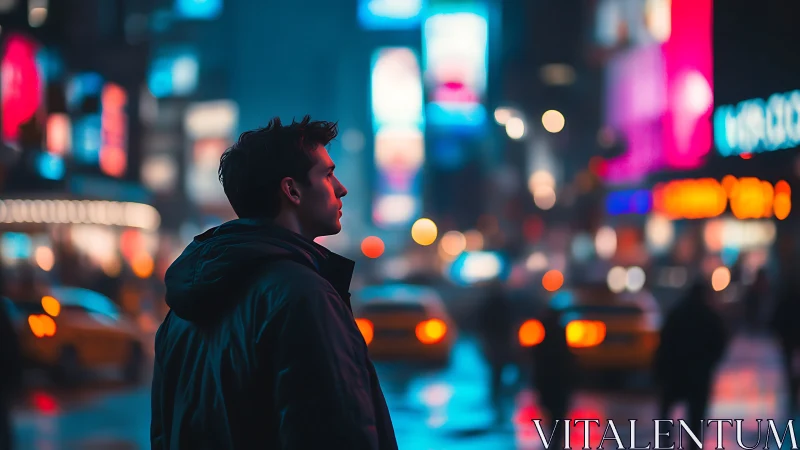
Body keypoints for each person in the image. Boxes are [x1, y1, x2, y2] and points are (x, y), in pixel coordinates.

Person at [150, 116, 397, 449]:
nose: (341, 188)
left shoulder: (180, 312)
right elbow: (336, 433)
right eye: (326, 174)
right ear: (292, 190)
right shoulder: (303, 296)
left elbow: (164, 433)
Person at [654, 279, 729, 450]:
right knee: (696, 418)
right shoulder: (710, 317)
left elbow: (664, 343)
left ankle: (665, 443)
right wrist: (709, 362)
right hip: (699, 374)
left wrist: (661, 368)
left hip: (675, 372)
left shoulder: (677, 314)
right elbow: (719, 343)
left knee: (666, 413)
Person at [531, 305, 576, 450]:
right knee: (558, 415)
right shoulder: (559, 336)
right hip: (558, 383)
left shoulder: (544, 339)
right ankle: (555, 442)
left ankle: (554, 442)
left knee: (553, 415)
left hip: (550, 383)